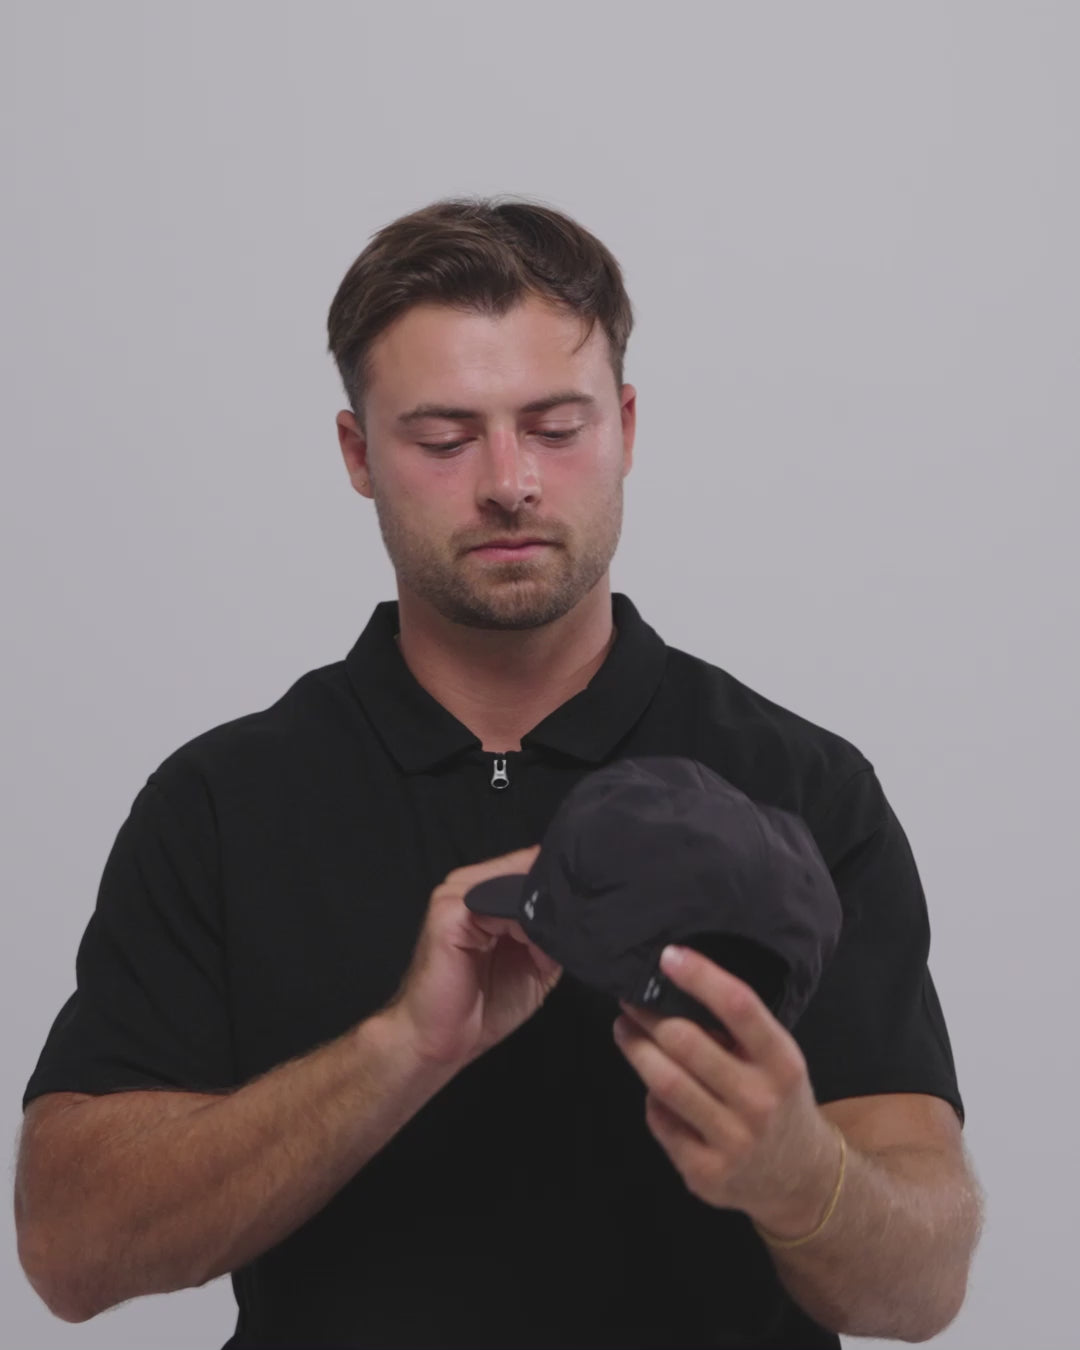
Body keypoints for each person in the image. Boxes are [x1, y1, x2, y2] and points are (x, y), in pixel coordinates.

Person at [15, 196, 983, 1349]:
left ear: (626, 425)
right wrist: (396, 1052)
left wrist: (800, 1175)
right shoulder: (222, 804)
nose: (510, 481)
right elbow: (68, 1249)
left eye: (556, 427)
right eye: (444, 439)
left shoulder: (803, 787)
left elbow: (924, 1286)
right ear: (357, 454)